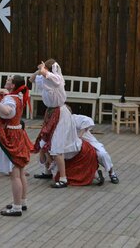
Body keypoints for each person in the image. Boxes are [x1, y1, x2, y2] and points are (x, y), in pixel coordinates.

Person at [31, 59, 82, 188]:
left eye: (45, 70)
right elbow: (31, 79)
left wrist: (43, 69)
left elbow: (48, 75)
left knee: (57, 146)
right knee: (45, 141)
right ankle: (48, 171)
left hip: (60, 114)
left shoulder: (56, 78)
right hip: (51, 112)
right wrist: (39, 70)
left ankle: (63, 178)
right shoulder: (45, 79)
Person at [0, 75, 32, 216]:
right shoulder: (19, 96)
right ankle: (22, 201)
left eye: (8, 81)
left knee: (14, 174)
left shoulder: (10, 99)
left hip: (11, 135)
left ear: (13, 85)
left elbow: (7, 112)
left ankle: (16, 207)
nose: (6, 82)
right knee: (20, 171)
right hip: (18, 132)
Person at [73, 114, 119, 184]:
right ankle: (95, 175)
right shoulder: (61, 124)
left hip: (90, 142)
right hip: (76, 147)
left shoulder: (74, 118)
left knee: (102, 154)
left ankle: (112, 173)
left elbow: (88, 120)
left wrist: (80, 134)